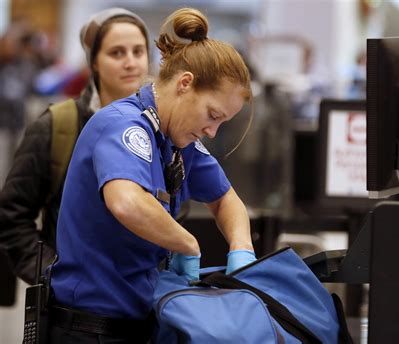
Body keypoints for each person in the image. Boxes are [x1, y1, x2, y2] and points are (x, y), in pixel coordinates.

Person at [48, 7, 256, 343]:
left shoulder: (177, 140)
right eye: (212, 115)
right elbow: (127, 203)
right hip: (89, 328)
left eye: (222, 123)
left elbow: (225, 198)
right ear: (185, 84)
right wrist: (187, 244)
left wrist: (241, 251)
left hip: (140, 321)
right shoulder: (122, 126)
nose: (213, 131)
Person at [0, 8, 151, 285]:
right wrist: (52, 276)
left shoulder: (160, 130)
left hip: (140, 303)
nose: (131, 63)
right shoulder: (58, 125)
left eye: (138, 52)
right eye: (117, 53)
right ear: (94, 62)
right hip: (71, 313)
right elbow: (12, 216)